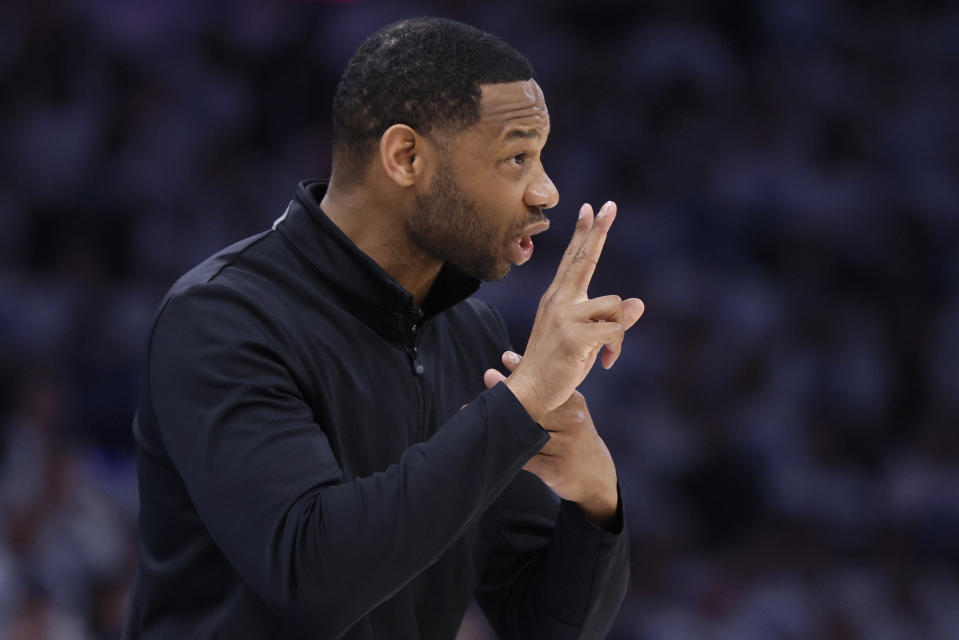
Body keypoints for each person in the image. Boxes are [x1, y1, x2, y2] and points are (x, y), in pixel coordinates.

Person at [124, 16, 644, 640]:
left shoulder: (472, 332)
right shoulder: (222, 318)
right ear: (406, 156)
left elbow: (542, 625)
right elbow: (312, 580)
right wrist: (522, 402)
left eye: (541, 156)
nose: (547, 191)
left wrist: (596, 500)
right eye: (516, 156)